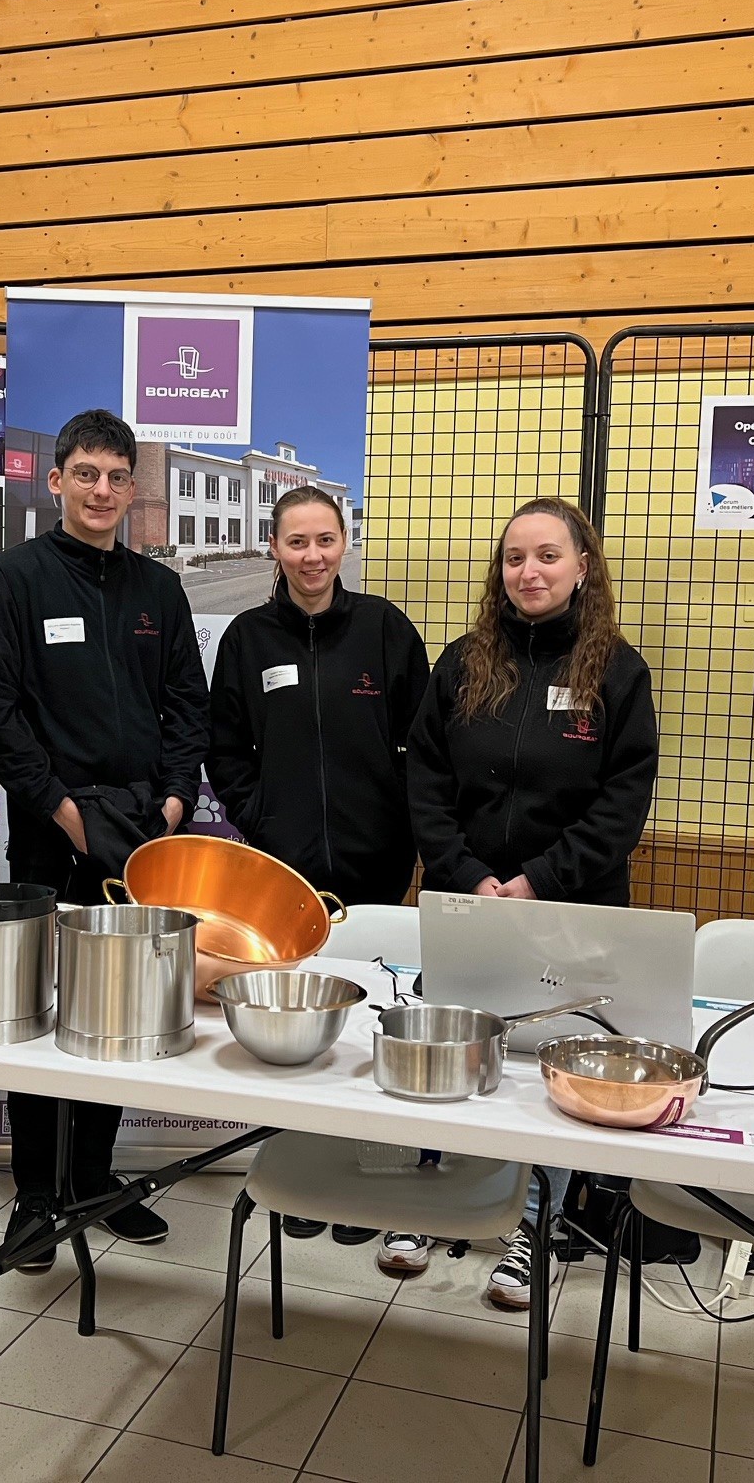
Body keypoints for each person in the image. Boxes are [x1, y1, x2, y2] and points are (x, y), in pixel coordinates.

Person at [392, 496, 658, 1307]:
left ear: (584, 567)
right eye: (514, 558)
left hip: (570, 909)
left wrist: (538, 882)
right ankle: (426, 1205)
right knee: (445, 1057)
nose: (529, 572)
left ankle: (532, 1229)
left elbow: (621, 803)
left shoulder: (616, 671)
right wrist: (471, 876)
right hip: (465, 901)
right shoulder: (463, 662)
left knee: (554, 1070)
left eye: (547, 556)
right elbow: (426, 784)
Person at [0, 408, 210, 1268]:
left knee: (116, 1014)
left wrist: (174, 807)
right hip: (50, 831)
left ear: (131, 488)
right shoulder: (14, 578)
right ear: (58, 480)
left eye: (116, 477)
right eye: (86, 475)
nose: (101, 491)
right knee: (40, 1014)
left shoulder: (159, 591)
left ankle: (95, 1180)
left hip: (146, 833)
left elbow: (188, 708)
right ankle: (35, 1196)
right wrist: (61, 812)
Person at [208, 486, 428, 1245]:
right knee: (294, 1023)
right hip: (285, 871)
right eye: (296, 542)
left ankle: (371, 1177)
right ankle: (302, 1173)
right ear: (274, 548)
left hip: (376, 865)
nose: (312, 556)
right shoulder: (246, 640)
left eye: (325, 540)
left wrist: (402, 829)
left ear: (345, 544)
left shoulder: (385, 632)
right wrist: (261, 818)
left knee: (372, 1021)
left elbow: (421, 749)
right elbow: (227, 749)